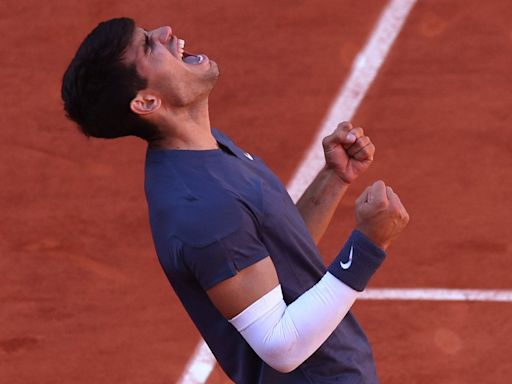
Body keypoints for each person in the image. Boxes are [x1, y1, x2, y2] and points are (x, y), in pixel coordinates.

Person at [62, 17, 409, 384]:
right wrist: (369, 244)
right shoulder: (202, 207)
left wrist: (333, 179)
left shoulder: (206, 149)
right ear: (147, 101)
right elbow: (282, 346)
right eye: (149, 46)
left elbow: (277, 251)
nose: (165, 32)